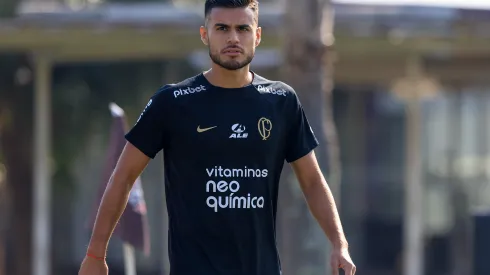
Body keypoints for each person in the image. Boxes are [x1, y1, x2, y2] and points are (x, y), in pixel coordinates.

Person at [78, 0, 355, 274]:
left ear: (257, 36)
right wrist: (95, 254)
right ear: (204, 34)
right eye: (222, 28)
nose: (233, 38)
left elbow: (313, 181)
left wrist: (339, 243)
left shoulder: (282, 101)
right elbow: (123, 176)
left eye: (243, 29)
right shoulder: (172, 102)